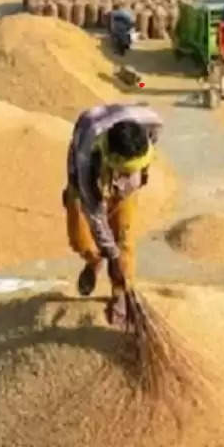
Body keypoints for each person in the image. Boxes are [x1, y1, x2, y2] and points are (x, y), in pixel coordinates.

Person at [64, 103, 163, 310]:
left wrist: (138, 175)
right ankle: (93, 260)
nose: (125, 181)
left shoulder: (151, 122)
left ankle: (121, 291)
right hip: (86, 166)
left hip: (125, 156)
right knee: (79, 236)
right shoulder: (87, 157)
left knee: (124, 236)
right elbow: (96, 216)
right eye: (123, 174)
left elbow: (153, 140)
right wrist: (112, 255)